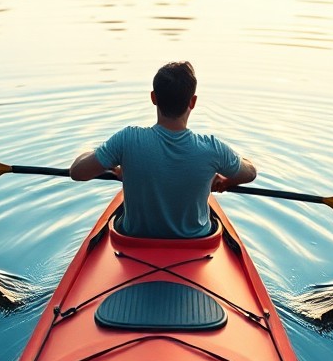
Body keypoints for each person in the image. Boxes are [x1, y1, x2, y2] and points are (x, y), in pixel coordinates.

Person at [69, 61, 256, 238]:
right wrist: (226, 180)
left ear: (153, 98)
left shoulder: (127, 140)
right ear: (193, 102)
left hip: (133, 240)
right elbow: (249, 173)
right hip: (197, 243)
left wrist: (121, 166)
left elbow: (77, 172)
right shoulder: (213, 149)